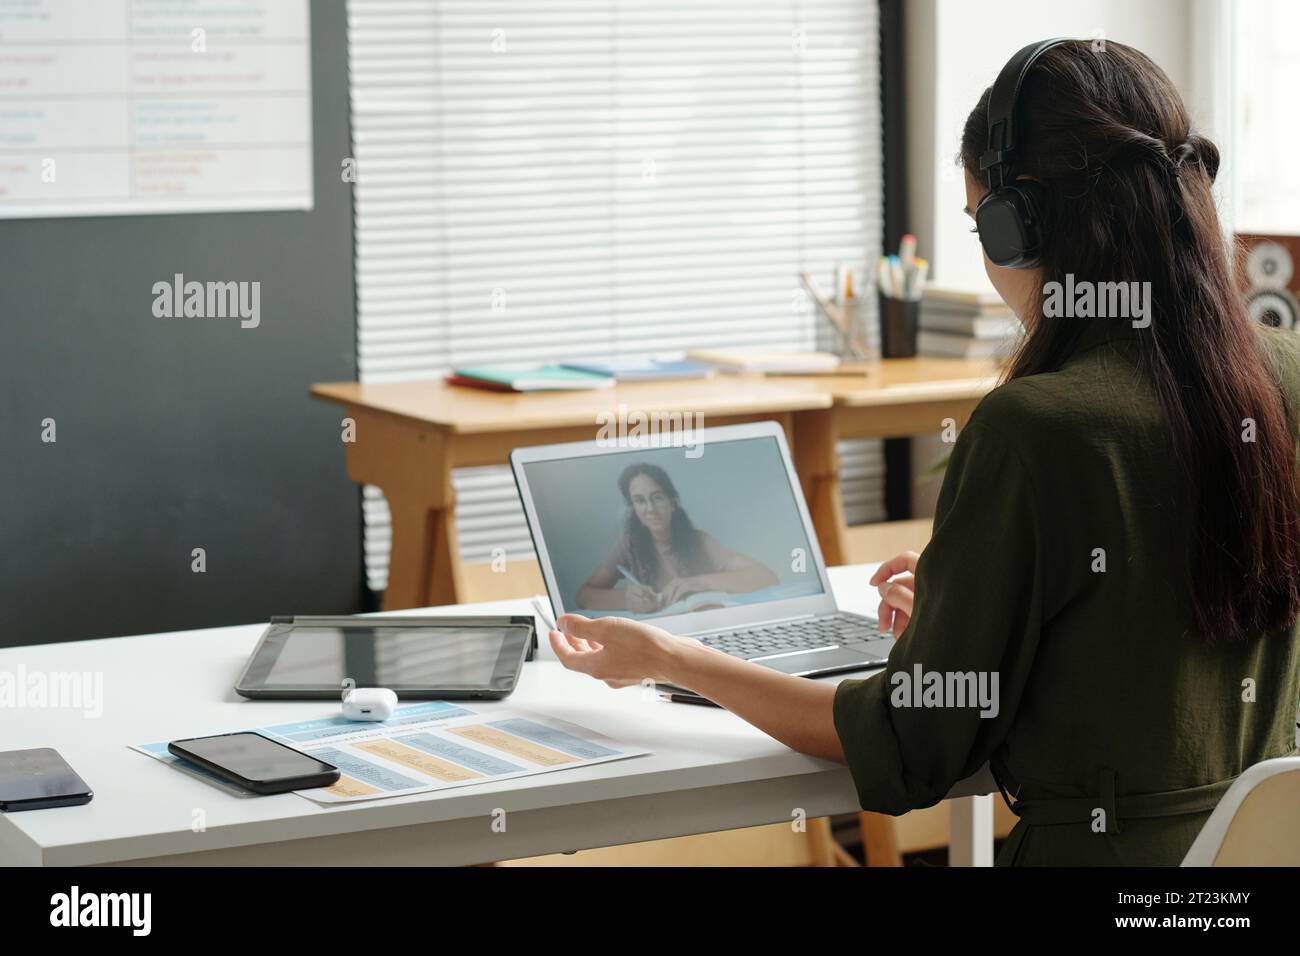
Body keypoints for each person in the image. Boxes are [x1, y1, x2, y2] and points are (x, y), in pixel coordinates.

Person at [547, 40, 1300, 865]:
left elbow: (912, 747)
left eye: (983, 225)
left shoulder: (1035, 428)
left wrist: (673, 657)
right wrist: (968, 597)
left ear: (1023, 227)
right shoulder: (1285, 378)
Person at [576, 462, 777, 613]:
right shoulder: (628, 545)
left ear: (672, 502)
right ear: (634, 508)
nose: (650, 509)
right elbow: (584, 596)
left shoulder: (699, 540)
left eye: (657, 497)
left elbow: (765, 576)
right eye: (640, 501)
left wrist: (697, 583)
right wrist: (628, 601)